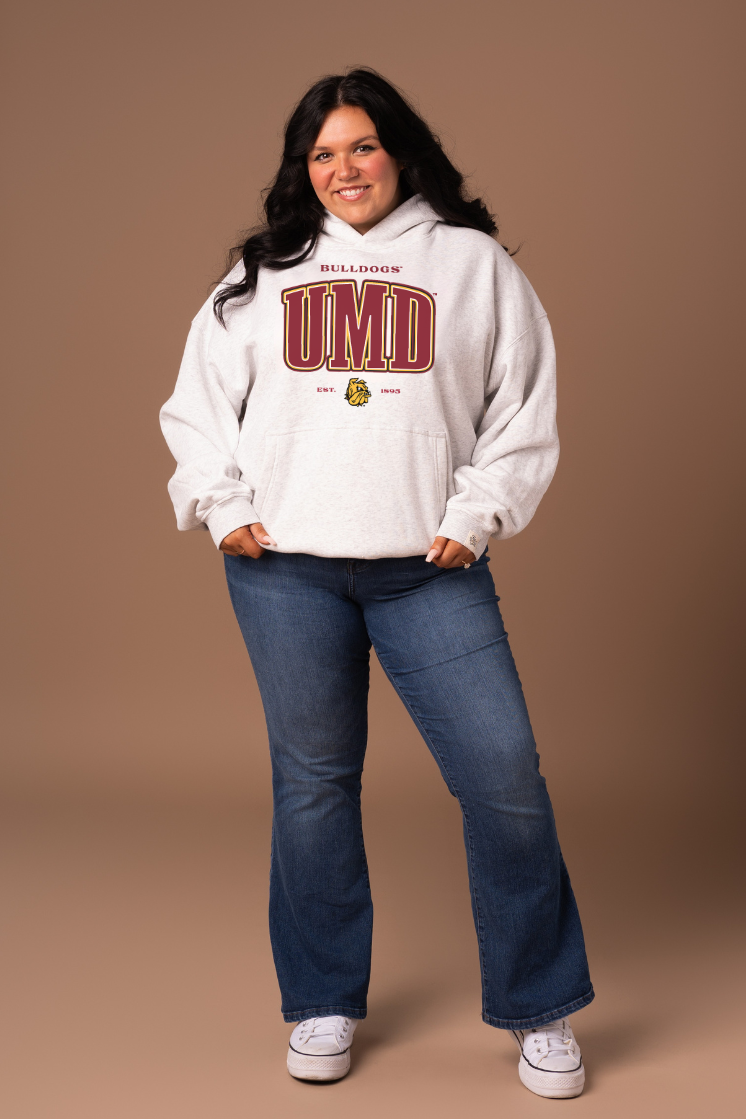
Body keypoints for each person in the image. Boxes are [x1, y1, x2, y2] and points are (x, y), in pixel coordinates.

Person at [160, 68, 593, 1099]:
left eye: (359, 147)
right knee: (313, 789)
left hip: (424, 571)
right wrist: (222, 508)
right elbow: (194, 408)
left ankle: (539, 1008)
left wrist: (474, 511)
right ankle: (320, 998)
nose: (341, 169)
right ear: (299, 170)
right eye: (321, 154)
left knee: (504, 780)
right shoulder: (263, 274)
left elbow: (521, 404)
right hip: (286, 572)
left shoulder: (470, 264)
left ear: (396, 151)